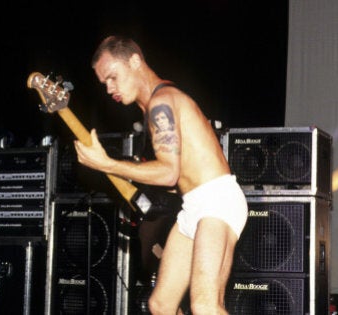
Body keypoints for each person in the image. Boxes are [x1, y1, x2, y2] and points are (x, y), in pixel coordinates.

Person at [74, 35, 248, 315]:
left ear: (135, 61)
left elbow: (168, 173)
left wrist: (106, 164)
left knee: (205, 306)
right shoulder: (152, 107)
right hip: (195, 205)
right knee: (161, 305)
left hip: (217, 201)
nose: (109, 89)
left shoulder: (162, 103)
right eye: (104, 83)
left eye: (113, 77)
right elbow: (176, 180)